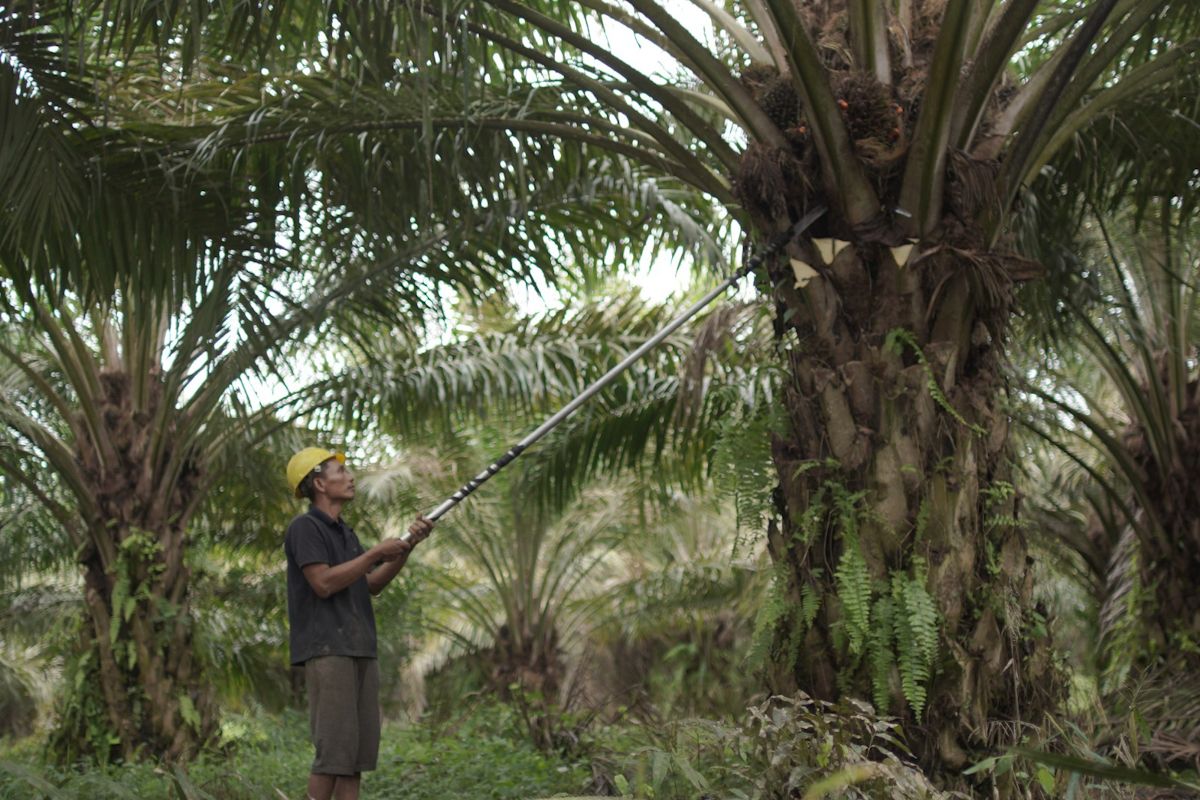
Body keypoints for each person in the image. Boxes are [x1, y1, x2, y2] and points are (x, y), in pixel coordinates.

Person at [284, 447, 434, 800]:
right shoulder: (304, 528)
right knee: (332, 756)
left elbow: (371, 585)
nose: (350, 477)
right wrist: (374, 554)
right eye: (341, 472)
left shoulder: (345, 534)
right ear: (319, 483)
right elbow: (322, 583)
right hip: (328, 649)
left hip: (360, 647)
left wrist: (406, 548)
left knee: (354, 760)